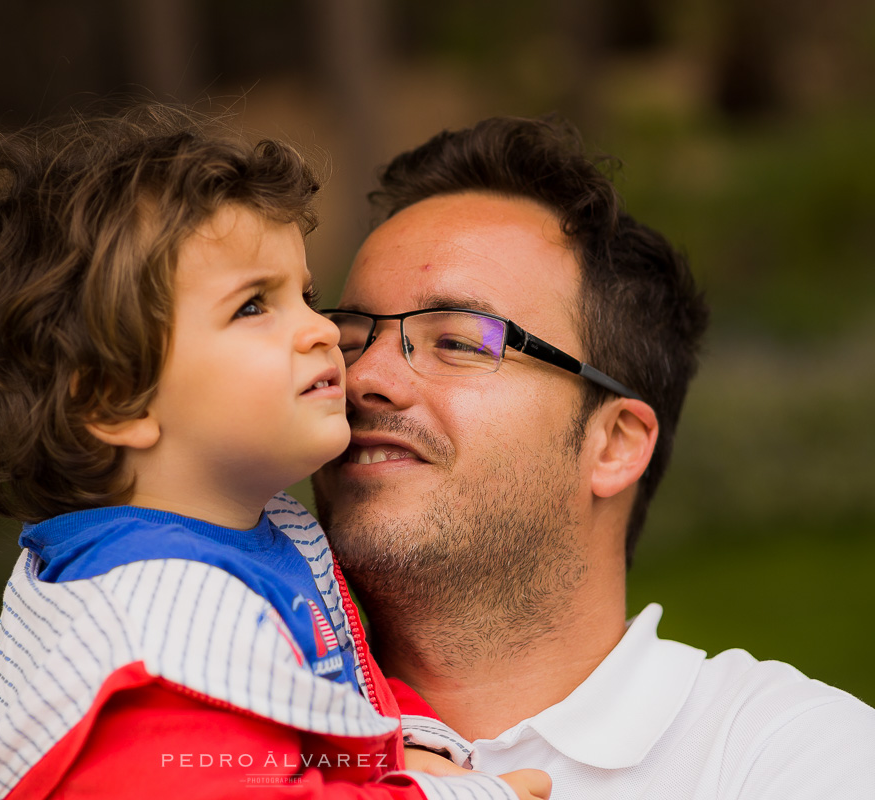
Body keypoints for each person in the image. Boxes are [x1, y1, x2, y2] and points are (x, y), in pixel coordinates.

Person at [0, 106, 548, 800]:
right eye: (252, 307)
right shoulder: (146, 652)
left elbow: (328, 692)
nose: (321, 331)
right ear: (116, 402)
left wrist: (406, 740)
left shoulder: (237, 545)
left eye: (304, 295)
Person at [310, 115, 875, 797]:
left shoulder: (787, 758)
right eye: (346, 338)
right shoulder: (218, 726)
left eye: (457, 341)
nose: (364, 377)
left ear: (613, 444)